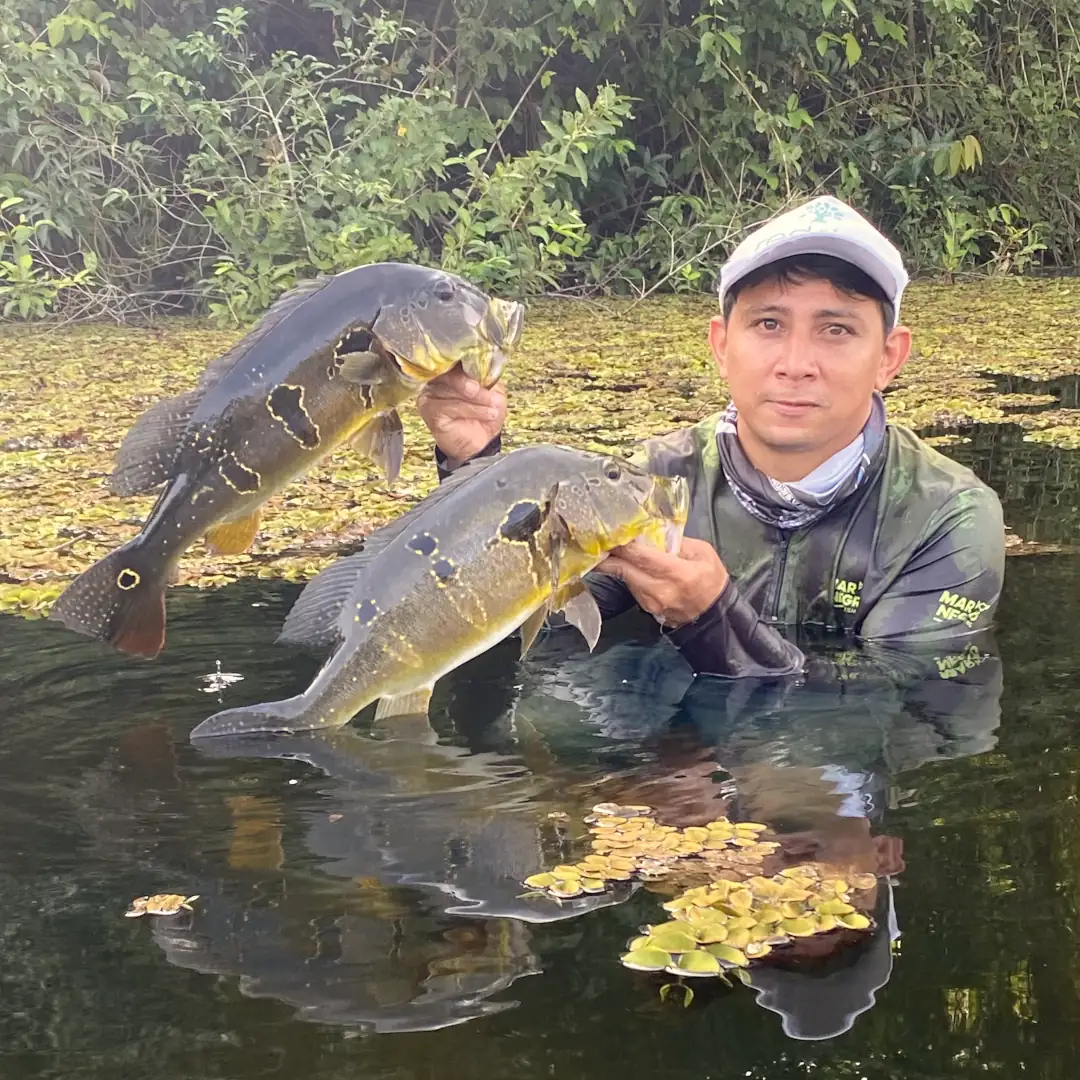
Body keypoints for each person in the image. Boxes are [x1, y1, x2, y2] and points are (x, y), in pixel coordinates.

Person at [417, 195, 1006, 677]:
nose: (796, 363)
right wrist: (474, 468)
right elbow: (533, 635)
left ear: (888, 357)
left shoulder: (945, 515)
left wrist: (709, 619)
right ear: (722, 346)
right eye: (769, 324)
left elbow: (901, 704)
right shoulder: (656, 479)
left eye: (837, 329)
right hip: (666, 776)